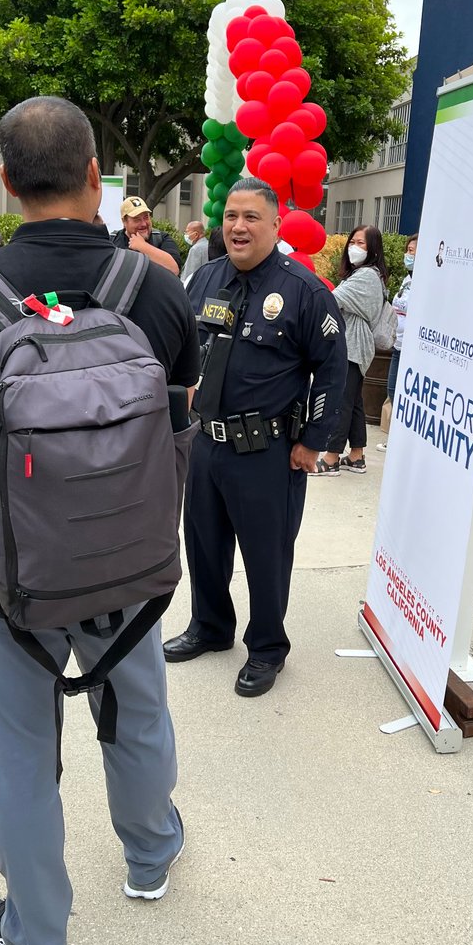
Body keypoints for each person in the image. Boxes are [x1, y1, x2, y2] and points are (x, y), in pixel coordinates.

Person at [0, 97, 200, 945]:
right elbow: (174, 428)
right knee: (135, 708)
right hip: (130, 563)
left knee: (22, 748)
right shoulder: (155, 286)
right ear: (98, 176)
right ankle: (150, 857)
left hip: (6, 570)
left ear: (3, 181)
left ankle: (35, 937)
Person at [164, 177, 347, 697]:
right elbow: (184, 350)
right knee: (202, 544)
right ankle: (210, 627)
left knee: (266, 555)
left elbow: (331, 372)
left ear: (274, 224)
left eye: (251, 218)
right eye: (231, 217)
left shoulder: (304, 290)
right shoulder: (206, 280)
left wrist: (313, 441)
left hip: (268, 451)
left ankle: (267, 648)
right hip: (207, 442)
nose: (238, 227)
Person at [311, 225, 388, 475]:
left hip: (353, 345)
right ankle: (356, 456)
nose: (354, 247)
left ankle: (331, 457)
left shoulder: (366, 276)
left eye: (362, 243)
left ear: (373, 248)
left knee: (341, 401)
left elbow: (333, 299)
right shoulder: (366, 274)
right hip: (356, 345)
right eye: (352, 242)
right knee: (353, 402)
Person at [376, 234, 417, 454]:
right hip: (398, 345)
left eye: (415, 251)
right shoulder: (407, 280)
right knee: (393, 391)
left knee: (408, 396)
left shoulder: (427, 283)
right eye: (409, 250)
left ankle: (405, 442)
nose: (409, 255)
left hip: (413, 350)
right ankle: (396, 437)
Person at [113, 196, 182, 274]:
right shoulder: (112, 241)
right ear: (124, 221)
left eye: (146, 217)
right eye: (137, 219)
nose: (143, 224)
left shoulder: (162, 239)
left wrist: (142, 246)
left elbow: (174, 269)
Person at [180, 220, 209, 285]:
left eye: (187, 232)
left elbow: (189, 274)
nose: (185, 235)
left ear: (196, 234)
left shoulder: (196, 249)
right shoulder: (207, 245)